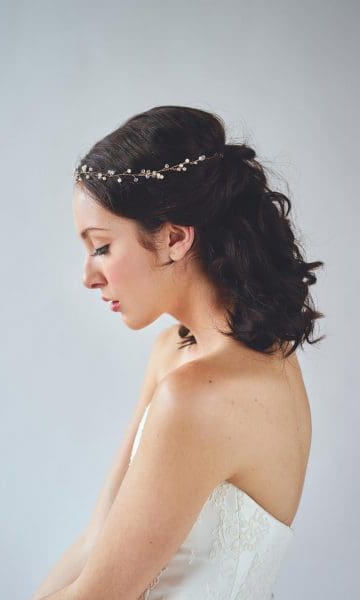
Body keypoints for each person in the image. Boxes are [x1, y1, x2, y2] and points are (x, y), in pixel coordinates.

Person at [31, 105, 324, 600]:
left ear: (174, 238)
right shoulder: (183, 352)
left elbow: (99, 595)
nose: (88, 276)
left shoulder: (199, 395)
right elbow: (99, 536)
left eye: (101, 247)